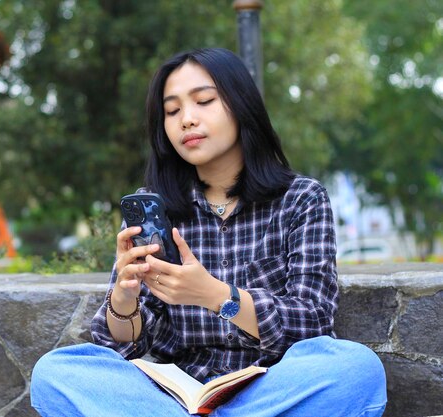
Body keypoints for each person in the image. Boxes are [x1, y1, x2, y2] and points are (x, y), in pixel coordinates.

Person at [30, 47, 387, 417]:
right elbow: (123, 348)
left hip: (270, 393)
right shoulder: (154, 209)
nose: (186, 119)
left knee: (355, 369)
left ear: (241, 105)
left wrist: (215, 295)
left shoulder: (300, 199)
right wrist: (124, 298)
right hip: (172, 399)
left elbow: (313, 320)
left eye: (203, 101)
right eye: (172, 111)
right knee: (56, 373)